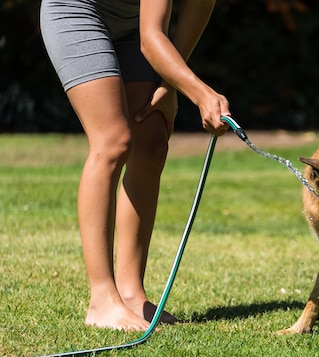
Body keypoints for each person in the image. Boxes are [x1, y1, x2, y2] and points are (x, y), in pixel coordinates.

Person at [40, 0, 230, 331]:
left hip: (134, 24)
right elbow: (151, 38)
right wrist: (200, 94)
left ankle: (131, 295)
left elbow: (190, 14)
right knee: (113, 140)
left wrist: (170, 85)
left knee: (152, 139)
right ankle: (102, 301)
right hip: (77, 8)